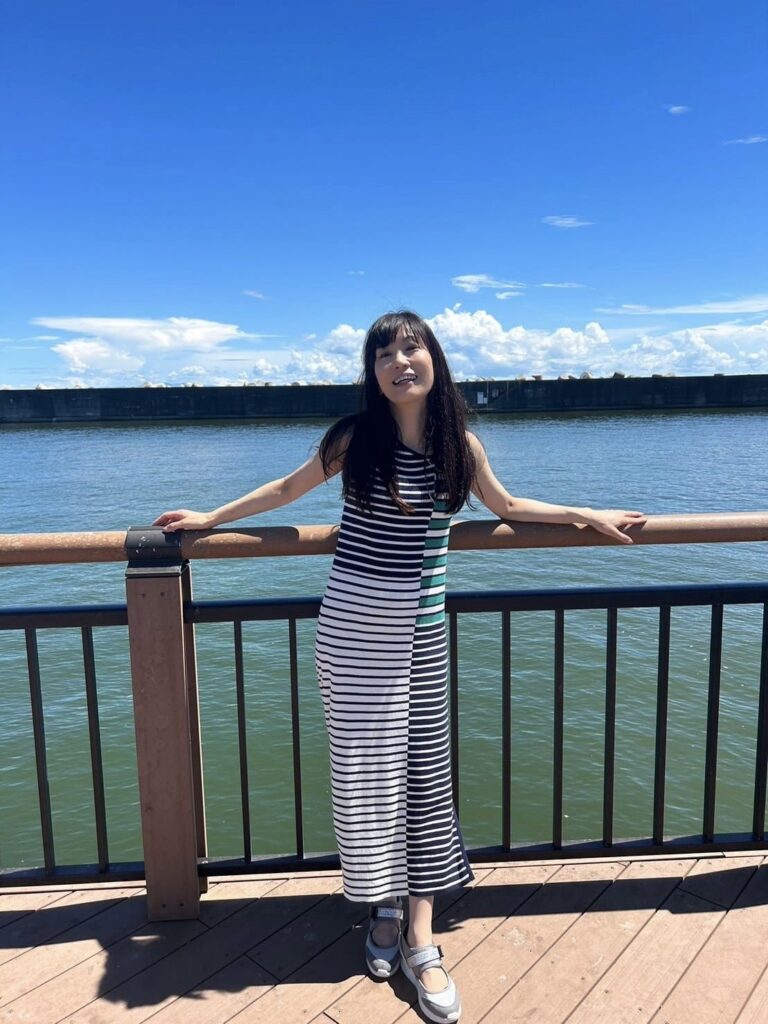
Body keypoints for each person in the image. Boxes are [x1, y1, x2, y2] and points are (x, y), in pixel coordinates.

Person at [153, 309, 646, 1024]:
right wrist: (210, 518)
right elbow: (286, 490)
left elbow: (507, 504)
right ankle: (381, 907)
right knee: (365, 781)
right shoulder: (356, 440)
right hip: (352, 635)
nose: (399, 362)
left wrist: (583, 512)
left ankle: (420, 935)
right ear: (373, 373)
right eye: (384, 353)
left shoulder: (459, 446)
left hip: (419, 640)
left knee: (423, 782)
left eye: (412, 348)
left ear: (434, 360)